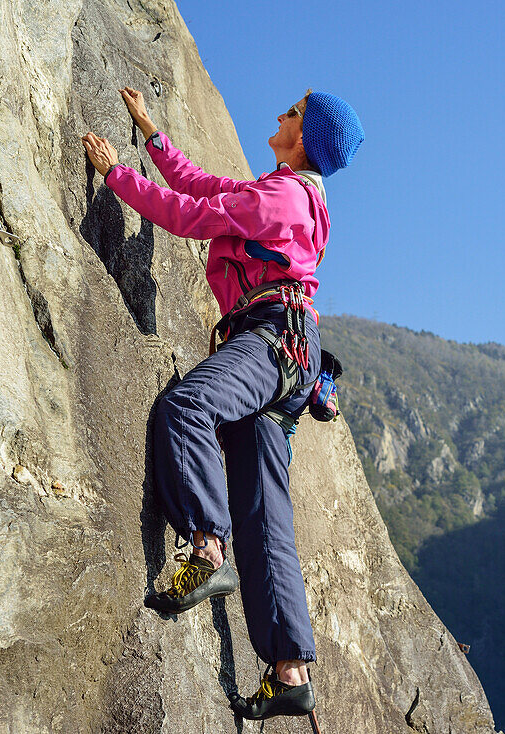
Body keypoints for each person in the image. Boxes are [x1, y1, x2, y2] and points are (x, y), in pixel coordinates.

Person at [82, 86, 363, 721]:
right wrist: (153, 138)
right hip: (290, 356)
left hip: (271, 338)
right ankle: (289, 671)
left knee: (187, 406)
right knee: (266, 517)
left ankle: (208, 547)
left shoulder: (285, 194)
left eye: (290, 113)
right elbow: (207, 188)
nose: (280, 115)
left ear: (304, 138)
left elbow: (189, 216)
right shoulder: (290, 195)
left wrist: (117, 174)